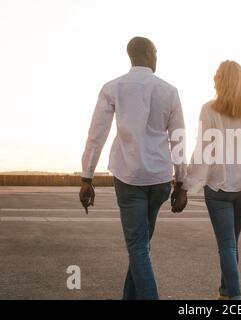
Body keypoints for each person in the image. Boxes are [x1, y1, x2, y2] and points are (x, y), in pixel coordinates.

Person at [79, 36, 187, 300]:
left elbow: (97, 134)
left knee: (138, 247)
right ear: (150, 54)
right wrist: (182, 183)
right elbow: (179, 139)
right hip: (160, 179)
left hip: (129, 178)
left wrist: (87, 176)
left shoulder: (113, 88)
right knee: (140, 246)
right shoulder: (169, 91)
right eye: (157, 53)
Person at [172, 60, 241, 300]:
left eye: (216, 74)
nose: (213, 77)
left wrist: (184, 186)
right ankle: (226, 293)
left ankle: (236, 297)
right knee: (231, 244)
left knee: (227, 245)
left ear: (223, 80)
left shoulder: (209, 109)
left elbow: (203, 150)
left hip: (219, 188)